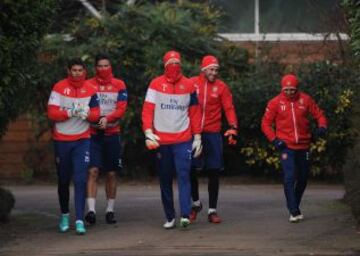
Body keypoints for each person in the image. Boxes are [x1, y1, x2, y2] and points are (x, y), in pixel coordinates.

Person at [141, 50, 202, 229]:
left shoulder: (190, 85)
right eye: (170, 63)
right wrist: (147, 130)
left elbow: (195, 112)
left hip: (183, 139)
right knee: (165, 179)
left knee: (184, 176)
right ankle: (170, 217)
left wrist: (197, 136)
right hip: (161, 141)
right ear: (165, 65)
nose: (174, 66)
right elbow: (147, 110)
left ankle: (184, 214)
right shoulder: (155, 84)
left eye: (177, 63)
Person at [261, 74, 327, 223]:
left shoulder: (305, 99)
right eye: (287, 90)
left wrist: (322, 127)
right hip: (286, 147)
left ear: (297, 89)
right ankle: (293, 210)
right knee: (289, 177)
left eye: (292, 89)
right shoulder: (275, 103)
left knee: (303, 179)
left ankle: (294, 204)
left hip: (304, 146)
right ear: (282, 89)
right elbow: (265, 124)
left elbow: (319, 115)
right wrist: (275, 140)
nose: (290, 92)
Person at [47, 58, 100, 234]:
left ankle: (79, 220)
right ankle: (64, 215)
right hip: (62, 140)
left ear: (85, 71)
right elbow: (52, 113)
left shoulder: (91, 89)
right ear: (68, 70)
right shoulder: (59, 87)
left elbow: (97, 114)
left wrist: (88, 115)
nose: (77, 73)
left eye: (80, 70)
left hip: (82, 140)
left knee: (80, 180)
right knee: (63, 180)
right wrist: (69, 112)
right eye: (74, 70)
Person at [189, 55, 238, 224]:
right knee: (190, 169)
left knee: (214, 171)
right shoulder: (191, 83)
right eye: (211, 69)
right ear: (203, 69)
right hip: (193, 133)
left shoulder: (222, 87)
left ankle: (212, 210)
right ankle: (195, 204)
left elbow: (229, 108)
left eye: (216, 70)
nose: (214, 72)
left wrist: (232, 126)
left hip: (212, 133)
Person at [84, 54, 128, 225]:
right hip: (93, 134)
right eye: (100, 66)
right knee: (92, 171)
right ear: (95, 68)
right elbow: (82, 108)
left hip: (112, 133)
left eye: (106, 65)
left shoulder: (119, 84)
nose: (103, 69)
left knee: (111, 173)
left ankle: (110, 210)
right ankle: (92, 211)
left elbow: (121, 108)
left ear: (111, 66)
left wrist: (107, 120)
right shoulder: (88, 84)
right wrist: (94, 121)